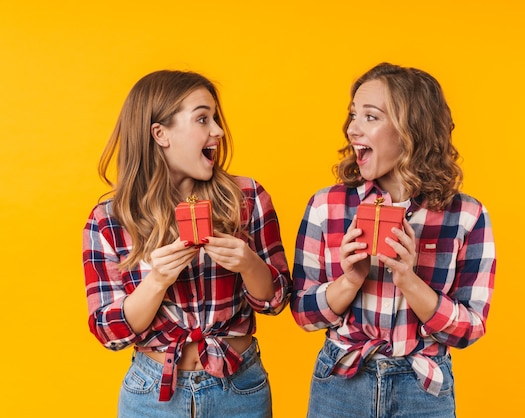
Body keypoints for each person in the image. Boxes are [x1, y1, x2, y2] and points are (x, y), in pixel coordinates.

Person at [290, 62, 496, 417]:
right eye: (353, 115)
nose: (353, 128)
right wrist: (351, 280)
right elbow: (304, 314)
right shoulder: (327, 205)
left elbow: (470, 329)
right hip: (341, 382)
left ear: (411, 129)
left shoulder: (466, 216)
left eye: (370, 117)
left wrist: (409, 279)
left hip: (422, 388)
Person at [83, 70, 292, 418]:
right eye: (202, 118)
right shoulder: (109, 219)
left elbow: (277, 301)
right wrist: (157, 280)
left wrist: (249, 264)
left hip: (239, 386)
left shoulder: (247, 197)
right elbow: (110, 332)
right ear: (160, 133)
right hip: (152, 394)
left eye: (215, 118)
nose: (218, 131)